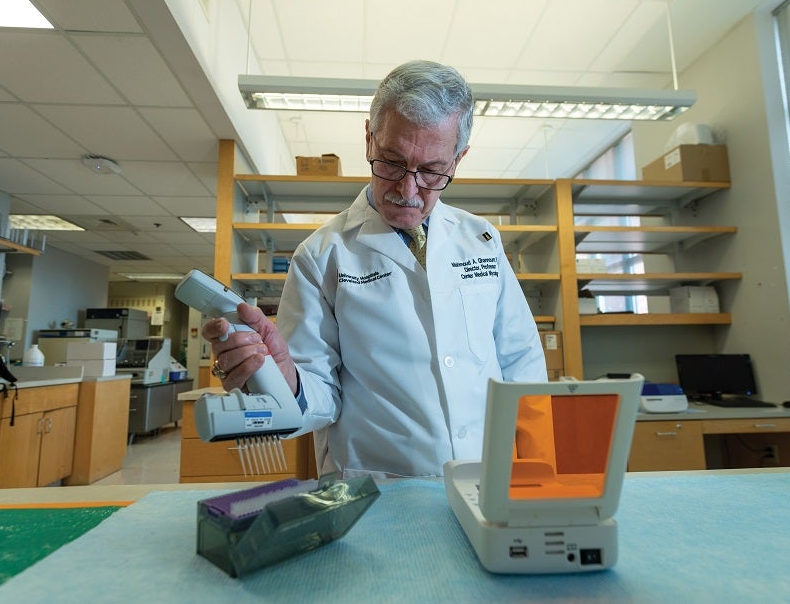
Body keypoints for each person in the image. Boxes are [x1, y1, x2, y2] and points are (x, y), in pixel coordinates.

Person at [204, 60, 546, 478]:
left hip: (488, 484)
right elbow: (319, 397)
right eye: (391, 162)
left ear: (457, 160)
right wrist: (285, 379)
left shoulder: (481, 240)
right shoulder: (321, 256)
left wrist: (537, 473)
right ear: (369, 139)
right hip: (378, 494)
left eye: (432, 171)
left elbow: (522, 362)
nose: (407, 189)